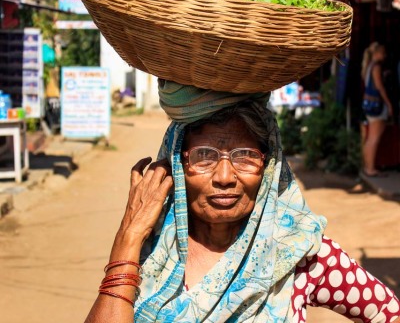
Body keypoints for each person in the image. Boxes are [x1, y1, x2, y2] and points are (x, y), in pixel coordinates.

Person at [84, 81, 400, 323]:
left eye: (245, 156)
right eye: (204, 156)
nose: (225, 176)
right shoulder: (147, 253)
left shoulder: (298, 253)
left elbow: (388, 313)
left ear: (269, 166)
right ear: (178, 166)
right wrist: (127, 239)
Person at [361, 42, 393, 177]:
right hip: (377, 106)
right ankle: (370, 168)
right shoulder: (376, 67)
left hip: (368, 105)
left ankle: (367, 166)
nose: (385, 55)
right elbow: (380, 87)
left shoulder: (368, 65)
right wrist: (389, 103)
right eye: (383, 52)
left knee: (370, 138)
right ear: (377, 53)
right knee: (374, 138)